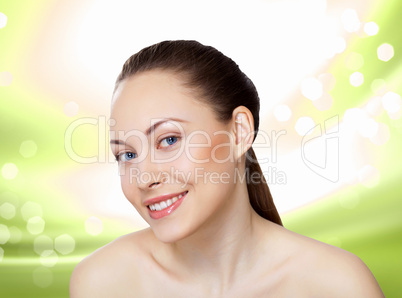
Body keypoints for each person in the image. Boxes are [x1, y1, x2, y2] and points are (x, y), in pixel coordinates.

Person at [70, 40, 384, 297]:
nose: (145, 177)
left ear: (238, 132)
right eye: (126, 155)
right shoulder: (103, 282)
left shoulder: (338, 285)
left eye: (168, 140)